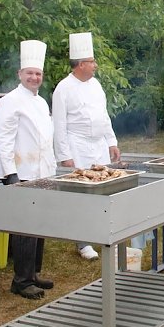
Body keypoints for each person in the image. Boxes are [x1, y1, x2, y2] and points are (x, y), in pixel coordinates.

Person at [0, 40, 57, 299]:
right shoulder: (10, 101)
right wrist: (10, 173)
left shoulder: (41, 103)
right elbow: (4, 138)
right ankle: (20, 280)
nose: (34, 77)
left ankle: (33, 273)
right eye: (30, 73)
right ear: (20, 75)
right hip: (21, 171)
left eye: (38, 74)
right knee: (24, 226)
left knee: (39, 224)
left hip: (42, 171)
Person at [52, 32, 120, 260]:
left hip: (98, 144)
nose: (95, 65)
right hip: (78, 145)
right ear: (80, 64)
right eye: (91, 61)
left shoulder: (96, 85)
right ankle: (83, 243)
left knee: (105, 189)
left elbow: (104, 115)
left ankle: (105, 233)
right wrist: (65, 155)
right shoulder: (63, 88)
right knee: (82, 194)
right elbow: (59, 124)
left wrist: (111, 141)